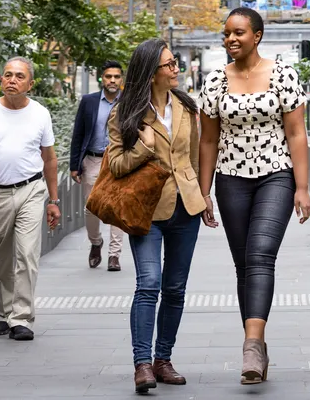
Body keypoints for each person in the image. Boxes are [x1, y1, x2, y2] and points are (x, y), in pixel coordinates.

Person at [198, 7, 310, 386]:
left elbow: (296, 133)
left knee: (261, 254)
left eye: (239, 33)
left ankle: (250, 346)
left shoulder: (283, 75)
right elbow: (208, 140)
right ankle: (258, 345)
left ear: (257, 35)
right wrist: (203, 191)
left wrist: (302, 187)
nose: (231, 39)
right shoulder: (215, 81)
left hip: (276, 174)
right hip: (230, 179)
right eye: (227, 34)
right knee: (243, 265)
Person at [106, 39, 206, 393]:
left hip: (186, 208)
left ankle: (163, 360)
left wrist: (203, 197)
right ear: (151, 73)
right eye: (169, 64)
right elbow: (116, 164)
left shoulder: (186, 106)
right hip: (147, 209)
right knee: (148, 283)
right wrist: (144, 147)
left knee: (175, 288)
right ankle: (142, 364)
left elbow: (193, 158)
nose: (176, 68)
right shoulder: (125, 113)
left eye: (175, 62)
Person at [0, 57, 61, 342]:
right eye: (7, 75)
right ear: (0, 80)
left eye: (19, 76)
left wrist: (53, 200)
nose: (12, 80)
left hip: (31, 190)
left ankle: (22, 317)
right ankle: (5, 314)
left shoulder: (40, 114)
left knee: (27, 254)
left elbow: (49, 159)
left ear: (30, 84)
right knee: (1, 260)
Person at [69, 60, 126, 270]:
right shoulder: (89, 101)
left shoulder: (128, 101)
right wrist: (74, 165)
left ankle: (114, 255)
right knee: (91, 208)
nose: (112, 80)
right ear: (102, 78)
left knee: (116, 208)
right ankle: (96, 242)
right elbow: (78, 134)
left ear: (121, 79)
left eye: (116, 77)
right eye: (108, 76)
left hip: (119, 161)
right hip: (92, 160)